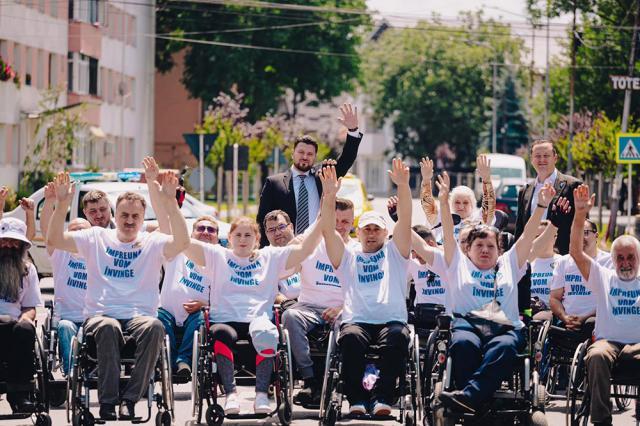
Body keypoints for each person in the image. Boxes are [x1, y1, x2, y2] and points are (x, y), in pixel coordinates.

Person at [46, 170, 190, 420]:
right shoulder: (96, 237)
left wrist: (169, 203)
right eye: (124, 214)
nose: (130, 220)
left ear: (143, 218)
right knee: (109, 326)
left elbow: (182, 243)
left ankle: (130, 399)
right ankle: (108, 402)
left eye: (135, 215)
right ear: (116, 215)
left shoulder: (151, 242)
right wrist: (61, 205)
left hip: (139, 317)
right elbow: (55, 239)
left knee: (155, 326)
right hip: (101, 316)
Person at [410, 171, 557, 414]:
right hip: (467, 324)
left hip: (504, 326)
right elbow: (447, 232)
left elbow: (529, 234)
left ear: (499, 249)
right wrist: (444, 202)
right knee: (463, 344)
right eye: (479, 245)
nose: (485, 250)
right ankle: (478, 398)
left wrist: (541, 205)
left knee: (506, 347)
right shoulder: (458, 263)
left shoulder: (510, 262)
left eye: (491, 246)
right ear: (468, 248)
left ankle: (470, 397)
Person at [182, 181, 328, 415]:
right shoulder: (217, 256)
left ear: (257, 239)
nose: (243, 239)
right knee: (220, 333)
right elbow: (183, 242)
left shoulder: (270, 257)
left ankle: (261, 394)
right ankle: (231, 394)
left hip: (258, 319)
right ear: (229, 238)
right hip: (225, 320)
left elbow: (306, 248)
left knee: (267, 332)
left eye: (248, 235)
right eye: (238, 235)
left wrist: (326, 204)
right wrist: (170, 204)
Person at [322, 159, 412, 417]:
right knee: (349, 338)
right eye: (366, 229)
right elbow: (328, 231)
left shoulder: (395, 253)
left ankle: (383, 397)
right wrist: (329, 196)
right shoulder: (348, 255)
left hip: (391, 321)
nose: (371, 234)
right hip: (357, 321)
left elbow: (404, 221)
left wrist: (403, 186)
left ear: (385, 233)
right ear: (357, 233)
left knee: (398, 338)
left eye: (376, 229)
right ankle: (358, 400)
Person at [568, 184, 640, 426]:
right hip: (608, 344)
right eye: (620, 257)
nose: (625, 262)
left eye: (631, 257)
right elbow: (576, 252)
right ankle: (601, 421)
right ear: (613, 260)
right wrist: (579, 215)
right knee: (596, 355)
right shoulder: (603, 277)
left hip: (637, 345)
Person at [143, 157, 216, 378]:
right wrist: (152, 182)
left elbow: (230, 294)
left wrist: (205, 304)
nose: (205, 232)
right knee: (158, 319)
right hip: (168, 313)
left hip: (200, 314)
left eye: (211, 230)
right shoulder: (178, 250)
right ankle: (168, 363)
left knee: (200, 319)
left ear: (217, 238)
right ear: (190, 234)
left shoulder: (221, 259)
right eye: (200, 228)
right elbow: (165, 221)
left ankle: (183, 362)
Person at [283, 197, 357, 407]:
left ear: (352, 223)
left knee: (348, 324)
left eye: (346, 222)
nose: (340, 227)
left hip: (343, 308)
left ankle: (337, 379)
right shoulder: (311, 245)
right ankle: (309, 379)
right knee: (290, 316)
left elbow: (363, 291)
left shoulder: (357, 249)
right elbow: (286, 264)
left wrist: (342, 307)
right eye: (336, 221)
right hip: (308, 307)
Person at [256, 103, 362, 247]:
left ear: (315, 157)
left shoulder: (324, 176)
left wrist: (353, 130)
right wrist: (263, 252)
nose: (305, 156)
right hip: (287, 248)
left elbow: (347, 159)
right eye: (301, 152)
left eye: (310, 154)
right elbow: (262, 220)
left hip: (318, 248)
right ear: (293, 154)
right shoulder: (274, 183)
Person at [40, 181, 91, 376]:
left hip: (94, 319)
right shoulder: (61, 254)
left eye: (83, 230)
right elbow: (48, 232)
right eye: (74, 230)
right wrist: (50, 201)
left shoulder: (98, 254)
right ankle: (73, 376)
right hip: (68, 319)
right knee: (65, 327)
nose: (78, 234)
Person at [0, 217, 43, 413]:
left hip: (15, 327)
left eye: (13, 241)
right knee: (7, 322)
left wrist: (26, 319)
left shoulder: (28, 270)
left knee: (25, 328)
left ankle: (20, 393)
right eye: (4, 240)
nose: (8, 245)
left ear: (21, 245)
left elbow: (30, 306)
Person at [514, 139, 581, 254]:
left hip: (561, 257)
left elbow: (582, 224)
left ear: (555, 158)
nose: (542, 160)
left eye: (546, 155)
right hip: (530, 257)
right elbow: (520, 229)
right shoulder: (525, 191)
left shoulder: (572, 186)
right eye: (537, 156)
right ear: (531, 159)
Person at [549, 218, 612, 333]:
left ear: (596, 235)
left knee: (590, 324)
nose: (581, 237)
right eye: (576, 233)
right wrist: (565, 317)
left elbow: (612, 299)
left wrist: (584, 318)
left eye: (586, 233)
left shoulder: (609, 261)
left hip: (596, 321)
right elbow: (554, 298)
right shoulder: (563, 262)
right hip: (566, 321)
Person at [420, 155, 496, 242]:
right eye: (457, 202)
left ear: (472, 204)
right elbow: (428, 206)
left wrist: (487, 180)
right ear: (451, 204)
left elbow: (489, 206)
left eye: (466, 203)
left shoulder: (478, 219)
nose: (461, 206)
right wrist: (426, 180)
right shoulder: (442, 217)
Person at [262, 210, 301, 303]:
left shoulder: (306, 249)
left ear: (291, 227)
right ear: (266, 234)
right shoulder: (265, 258)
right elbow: (271, 292)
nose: (278, 233)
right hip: (289, 308)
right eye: (271, 230)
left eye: (281, 227)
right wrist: (290, 305)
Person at [528, 220, 561, 321]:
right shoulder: (527, 261)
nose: (541, 240)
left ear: (555, 238)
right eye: (538, 237)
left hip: (551, 313)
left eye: (545, 236)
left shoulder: (562, 261)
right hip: (528, 310)